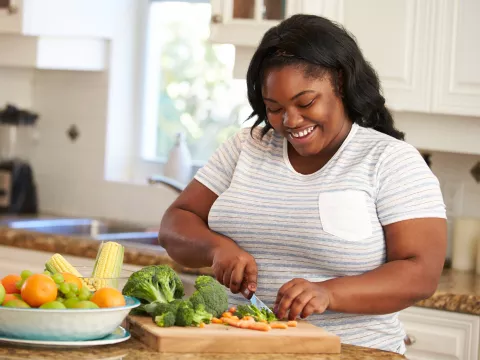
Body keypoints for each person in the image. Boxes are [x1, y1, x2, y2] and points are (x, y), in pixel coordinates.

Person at [158, 14, 447, 354]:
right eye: (274, 108)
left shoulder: (390, 160)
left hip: (351, 351)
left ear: (340, 82)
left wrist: (329, 293)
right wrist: (216, 248)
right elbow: (175, 222)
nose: (290, 121)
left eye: (305, 102)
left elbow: (422, 273)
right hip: (237, 346)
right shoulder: (247, 146)